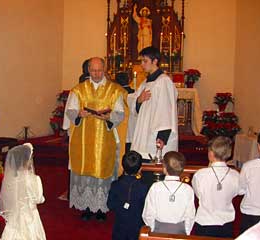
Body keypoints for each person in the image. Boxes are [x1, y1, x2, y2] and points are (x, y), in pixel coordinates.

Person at [66, 57, 125, 221]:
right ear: (88, 70)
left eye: (99, 70)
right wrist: (78, 113)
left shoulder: (114, 89)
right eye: (93, 70)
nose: (96, 73)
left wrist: (109, 116)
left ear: (104, 69)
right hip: (83, 138)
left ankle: (101, 208)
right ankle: (86, 207)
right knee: (85, 169)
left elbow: (120, 113)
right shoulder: (78, 89)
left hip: (104, 138)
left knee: (102, 170)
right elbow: (70, 110)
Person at [131, 46, 178, 161]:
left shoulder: (163, 81)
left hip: (157, 134)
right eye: (141, 61)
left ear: (155, 61)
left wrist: (162, 136)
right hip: (144, 132)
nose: (142, 64)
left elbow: (166, 110)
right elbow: (136, 108)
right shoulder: (145, 83)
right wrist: (139, 101)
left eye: (145, 61)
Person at [192, 136, 240, 238]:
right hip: (227, 223)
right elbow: (238, 192)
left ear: (211, 154)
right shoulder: (235, 175)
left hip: (204, 222)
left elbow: (198, 194)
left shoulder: (200, 175)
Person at [0, 143, 46, 240]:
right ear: (28, 160)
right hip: (31, 215)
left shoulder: (10, 178)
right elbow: (39, 199)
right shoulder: (34, 179)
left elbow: (7, 197)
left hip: (14, 215)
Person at [142, 151, 195, 235]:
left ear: (164, 168)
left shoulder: (156, 187)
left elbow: (148, 213)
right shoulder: (188, 189)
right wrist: (186, 232)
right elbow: (190, 216)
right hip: (180, 231)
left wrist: (152, 228)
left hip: (158, 229)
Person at [107, 151, 148, 240]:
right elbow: (146, 208)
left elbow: (110, 205)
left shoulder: (115, 184)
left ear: (122, 166)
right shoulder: (143, 187)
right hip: (136, 227)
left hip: (120, 226)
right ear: (140, 168)